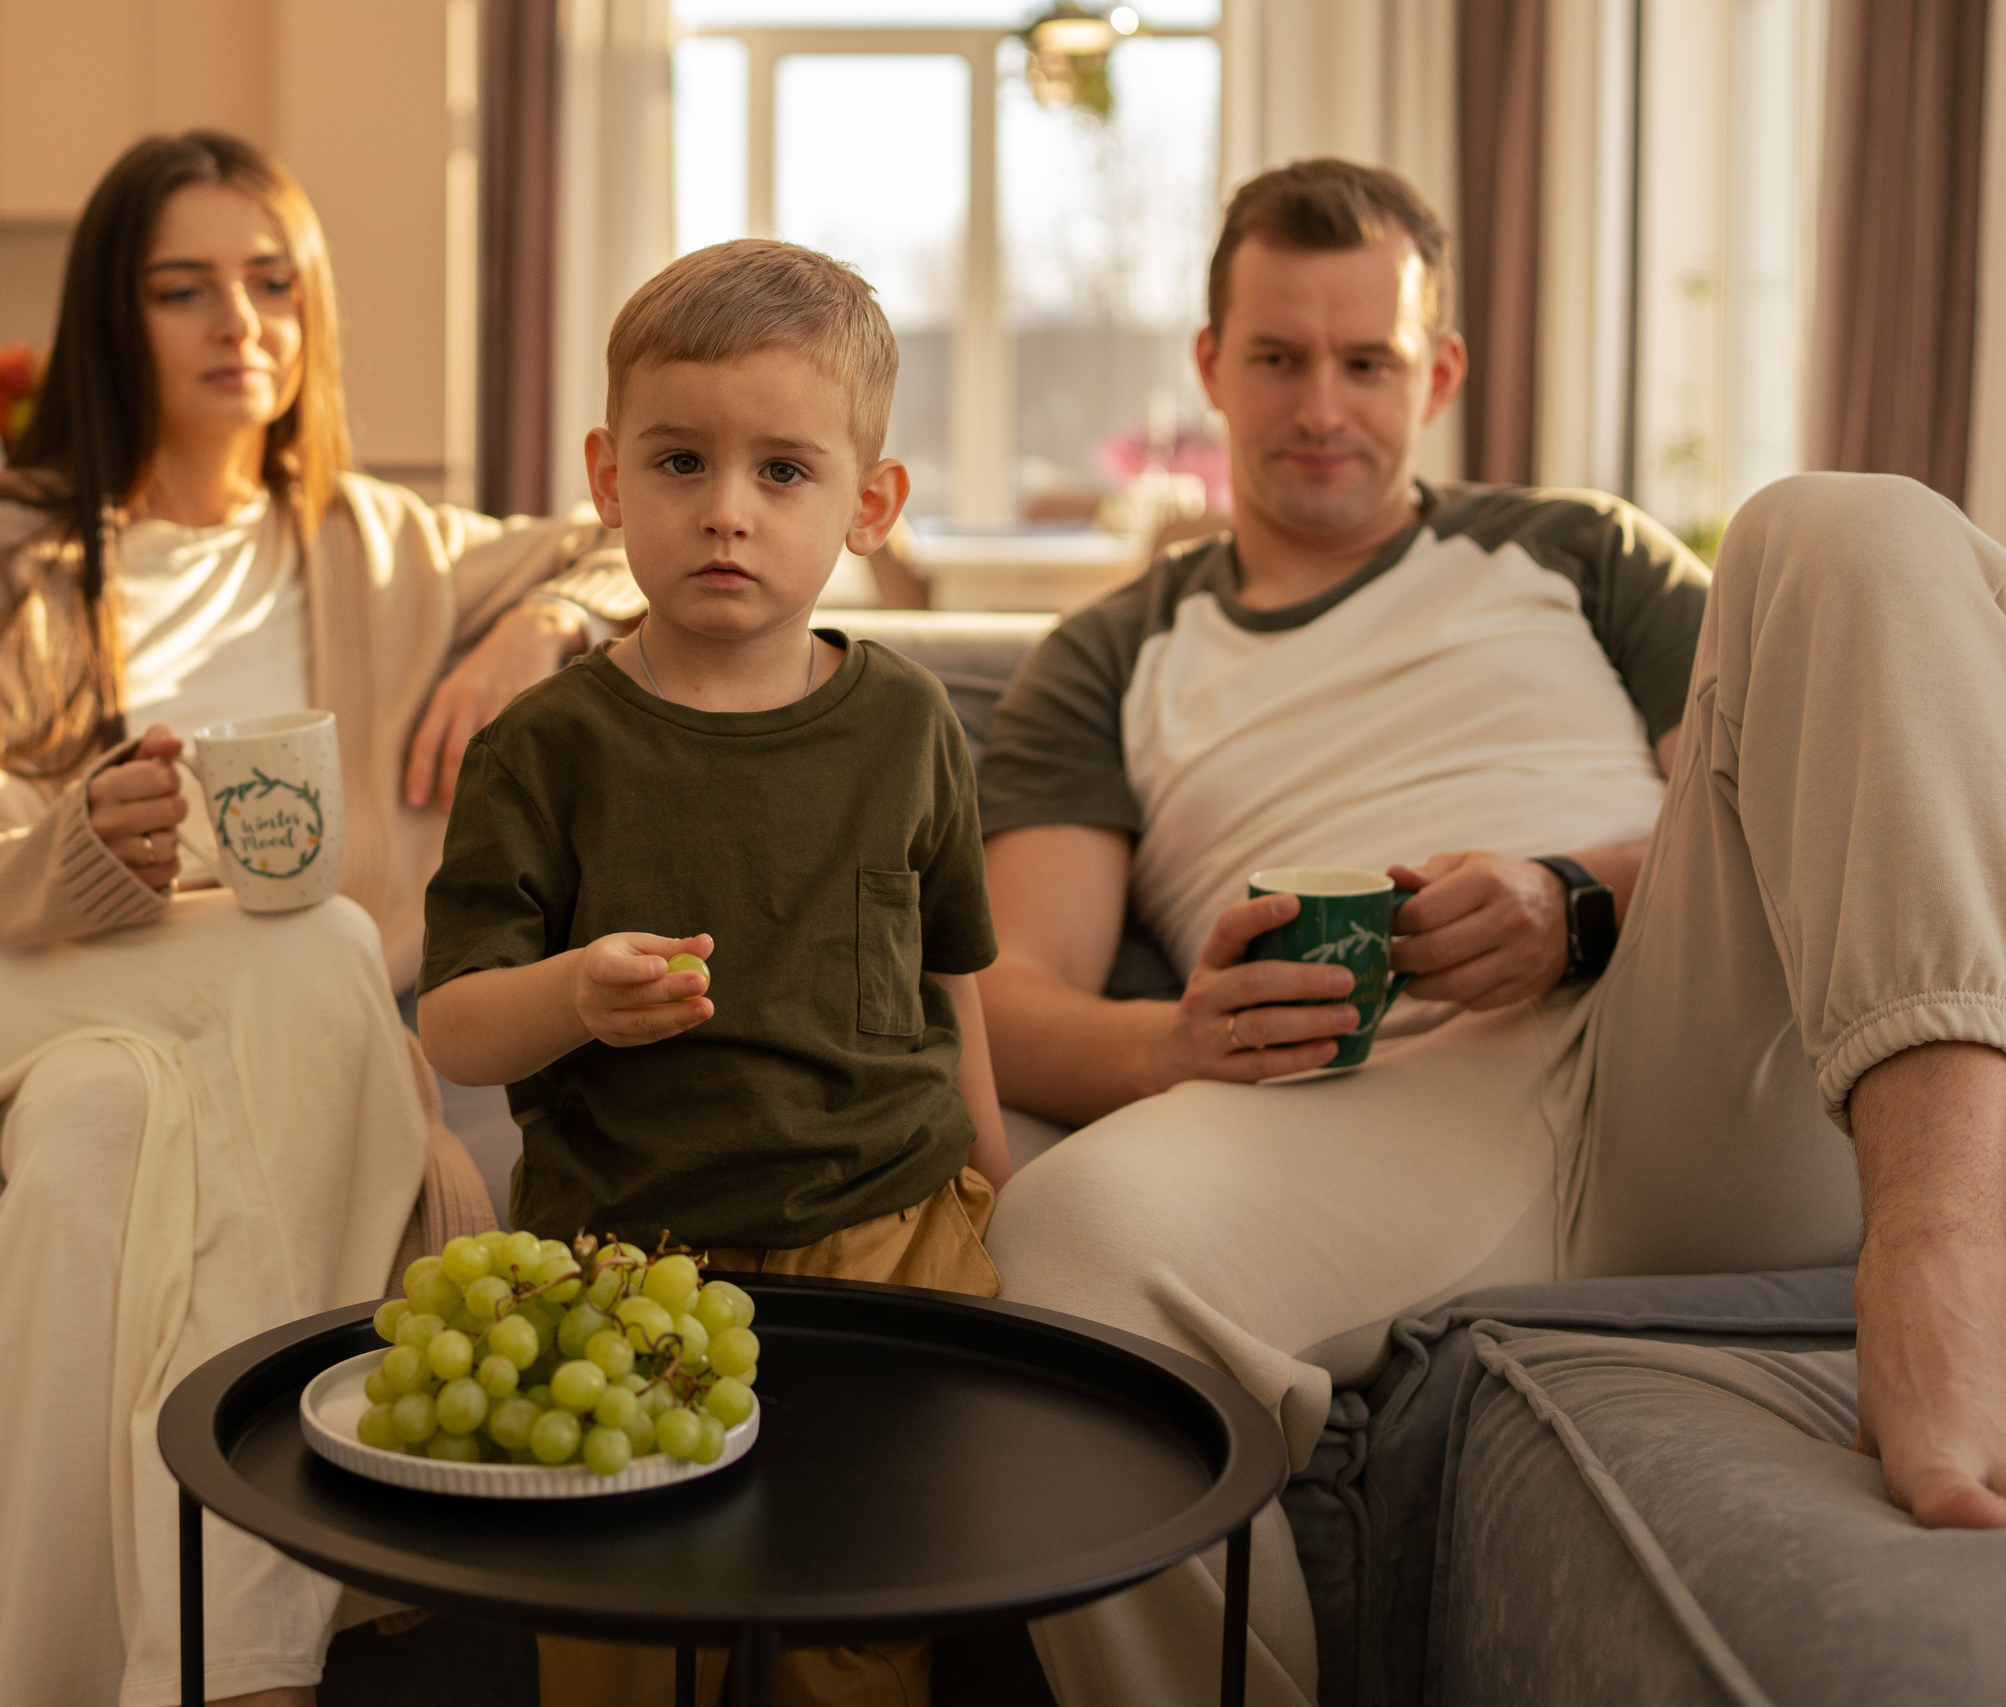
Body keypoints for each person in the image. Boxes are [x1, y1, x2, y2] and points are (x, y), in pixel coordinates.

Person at [0, 131, 641, 1707]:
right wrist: (76, 841)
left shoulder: (379, 545)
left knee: (103, 1144)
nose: (240, 322)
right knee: (329, 952)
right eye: (185, 288)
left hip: (170, 1035)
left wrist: (539, 634)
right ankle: (246, 1669)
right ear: (114, 315)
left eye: (272, 282)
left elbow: (655, 543)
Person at [973, 156, 2006, 1706]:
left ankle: (1947, 1248)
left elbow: (1796, 780)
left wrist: (1574, 898)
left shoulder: (1575, 550)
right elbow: (1015, 991)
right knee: (1064, 1248)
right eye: (1277, 358)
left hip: (1692, 1038)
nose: (1322, 403)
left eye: (1367, 361)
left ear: (1437, 371)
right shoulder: (1112, 651)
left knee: (1843, 527)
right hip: (1373, 1114)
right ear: (1211, 368)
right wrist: (1172, 1041)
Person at [415, 238, 1012, 1707]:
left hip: (890, 1243)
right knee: (626, 1636)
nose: (727, 513)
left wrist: (991, 1168)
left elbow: (951, 967)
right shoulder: (547, 750)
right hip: (631, 1265)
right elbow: (454, 1026)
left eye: (784, 473)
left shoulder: (910, 724)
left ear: (870, 506)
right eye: (681, 463)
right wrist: (573, 996)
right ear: (609, 479)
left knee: (865, 1625)